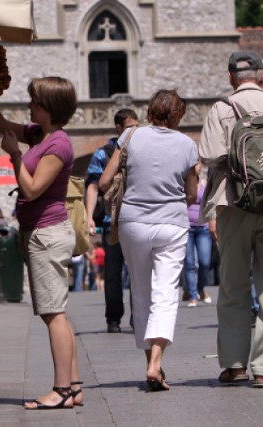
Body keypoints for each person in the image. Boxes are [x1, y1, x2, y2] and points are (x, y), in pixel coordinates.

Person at [0, 73, 82, 409]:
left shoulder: (58, 144)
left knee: (53, 313)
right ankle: (73, 387)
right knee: (57, 313)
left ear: (49, 107)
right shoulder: (39, 134)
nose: (29, 105)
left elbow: (32, 189)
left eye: (34, 101)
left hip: (47, 234)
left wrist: (15, 156)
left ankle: (60, 391)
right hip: (42, 232)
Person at [100, 89, 198, 392]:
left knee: (140, 292)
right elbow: (192, 194)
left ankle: (149, 363)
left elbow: (104, 181)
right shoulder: (187, 145)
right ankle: (156, 362)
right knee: (166, 292)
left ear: (150, 111)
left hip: (133, 223)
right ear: (178, 114)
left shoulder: (129, 137)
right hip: (171, 223)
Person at [198, 50, 263, 387]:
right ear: (261, 75)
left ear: (230, 77)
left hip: (233, 202)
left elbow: (208, 155)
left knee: (234, 284)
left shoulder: (223, 108)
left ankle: (236, 364)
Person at [85, 108, 139, 333]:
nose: (134, 132)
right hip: (111, 221)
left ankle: (139, 317)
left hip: (137, 220)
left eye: (137, 127)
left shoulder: (142, 148)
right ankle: (113, 318)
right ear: (118, 128)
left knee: (139, 272)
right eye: (129, 128)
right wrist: (89, 217)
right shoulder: (103, 153)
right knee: (113, 272)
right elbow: (93, 185)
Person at [183, 163, 213, 307]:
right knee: (189, 264)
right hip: (186, 227)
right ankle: (193, 295)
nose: (197, 166)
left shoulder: (205, 183)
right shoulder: (183, 183)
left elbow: (210, 204)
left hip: (203, 227)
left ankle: (200, 289)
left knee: (204, 262)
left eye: (198, 163)